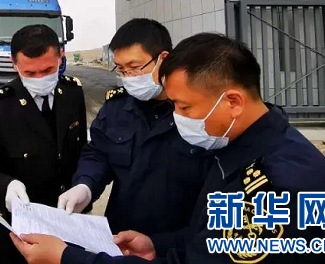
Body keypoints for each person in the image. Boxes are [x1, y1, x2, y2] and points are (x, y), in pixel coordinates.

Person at [11, 33, 325, 264]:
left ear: (233, 102)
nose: (178, 117)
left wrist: (69, 262)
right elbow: (213, 237)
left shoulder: (277, 186)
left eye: (184, 106)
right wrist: (158, 245)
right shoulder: (245, 147)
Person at [58, 19, 213, 236]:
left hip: (179, 240)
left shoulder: (197, 111)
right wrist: (85, 185)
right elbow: (98, 153)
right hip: (122, 236)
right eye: (121, 69)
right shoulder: (117, 108)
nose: (128, 77)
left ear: (163, 59)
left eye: (134, 67)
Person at [0, 24, 88, 264]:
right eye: (30, 73)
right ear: (15, 64)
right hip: (17, 232)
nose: (40, 79)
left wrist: (84, 187)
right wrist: (6, 187)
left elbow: (80, 151)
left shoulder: (73, 94)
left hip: (68, 223)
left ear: (61, 57)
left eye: (48, 70)